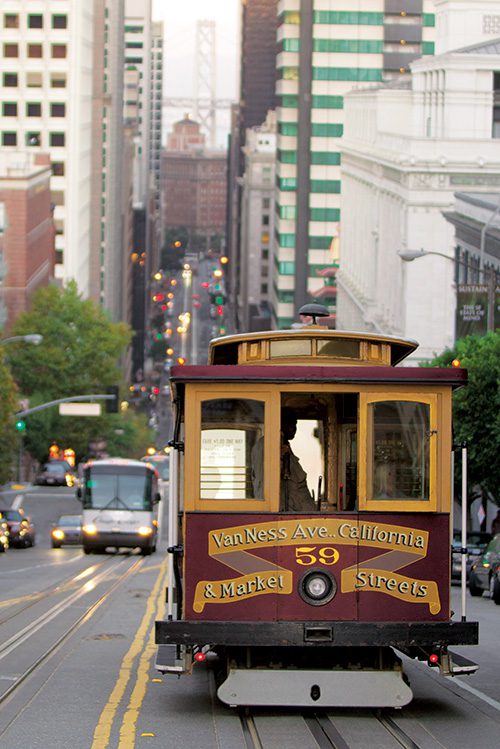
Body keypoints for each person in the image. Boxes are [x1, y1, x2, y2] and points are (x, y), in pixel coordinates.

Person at [251, 409, 315, 512]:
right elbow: (268, 484)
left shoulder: (283, 445)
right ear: (281, 423)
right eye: (292, 424)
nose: (295, 429)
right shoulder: (268, 444)